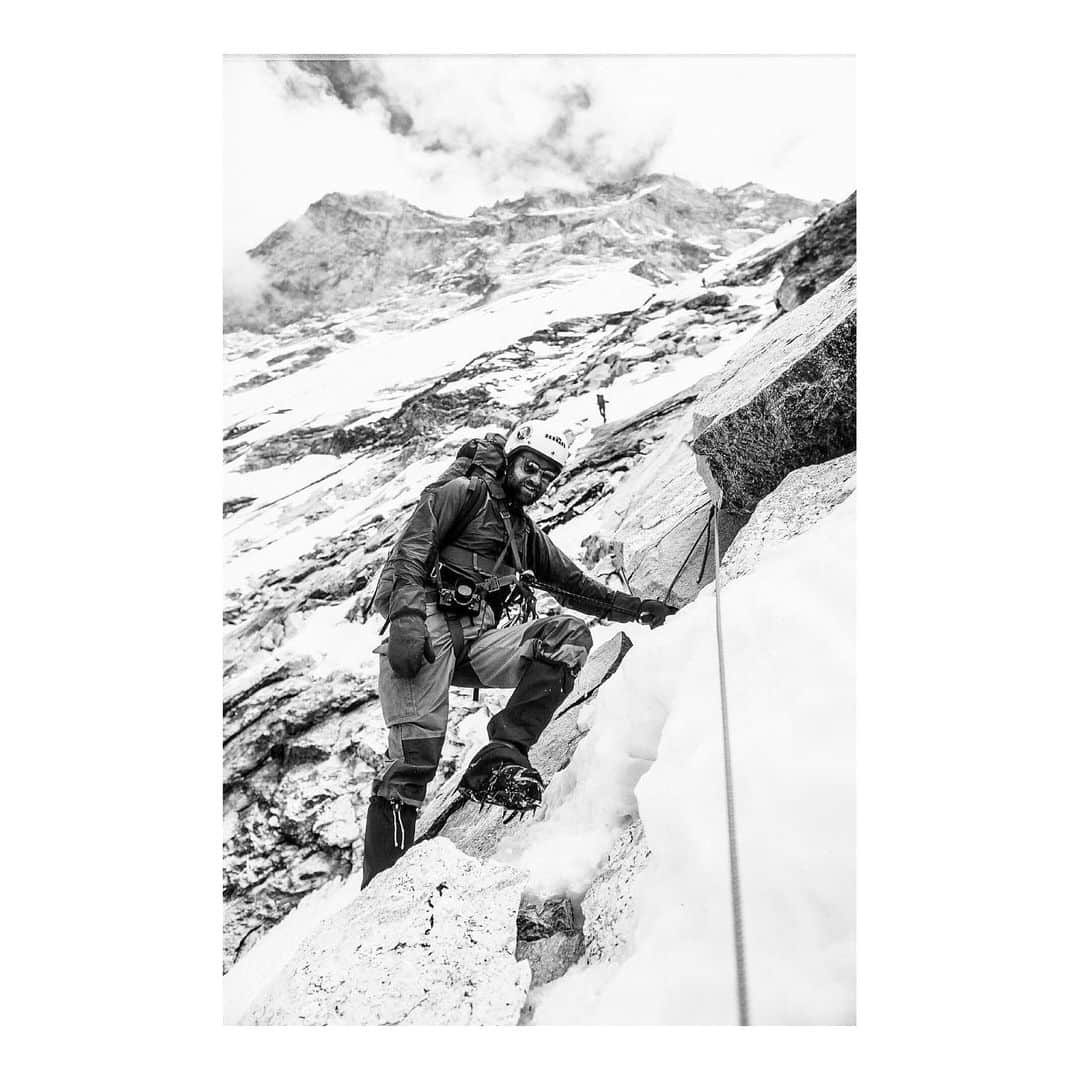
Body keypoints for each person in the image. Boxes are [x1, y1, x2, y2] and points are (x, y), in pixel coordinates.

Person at [361, 419, 671, 886]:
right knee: (412, 764)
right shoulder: (462, 494)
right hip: (424, 632)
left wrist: (639, 609)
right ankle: (378, 893)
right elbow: (411, 551)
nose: (537, 481)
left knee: (566, 636)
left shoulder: (522, 534)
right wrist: (405, 619)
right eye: (531, 468)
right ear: (511, 460)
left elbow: (574, 587)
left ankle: (503, 753)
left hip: (476, 641)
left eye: (547, 476)